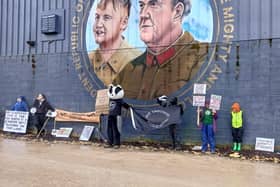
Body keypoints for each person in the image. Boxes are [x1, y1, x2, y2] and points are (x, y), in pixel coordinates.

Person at [114, 0, 208, 100]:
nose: (143, 14)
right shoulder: (128, 71)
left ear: (177, 12)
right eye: (141, 5)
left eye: (153, 4)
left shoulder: (205, 59)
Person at [88, 0, 141, 86]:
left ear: (124, 23)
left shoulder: (138, 64)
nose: (98, 24)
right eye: (97, 17)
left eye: (106, 18)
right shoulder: (87, 62)